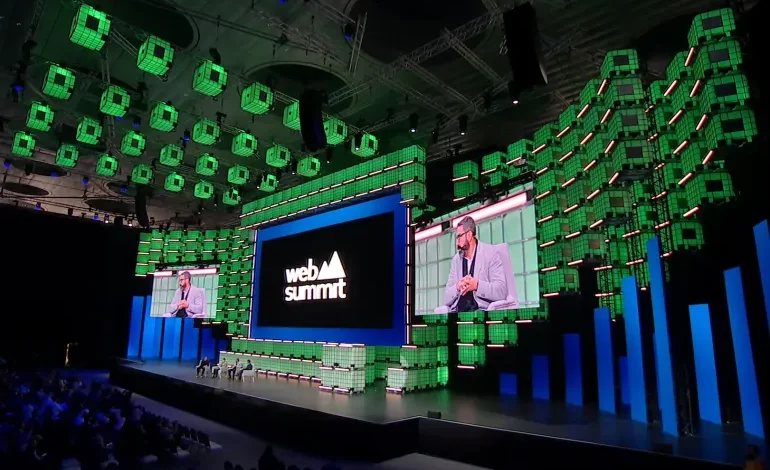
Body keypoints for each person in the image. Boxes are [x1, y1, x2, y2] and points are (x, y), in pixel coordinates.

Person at [442, 216, 507, 313]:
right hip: (458, 312)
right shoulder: (456, 260)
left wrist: (477, 285)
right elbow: (446, 297)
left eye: (459, 237)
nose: (457, 242)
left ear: (469, 235)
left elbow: (501, 291)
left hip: (479, 311)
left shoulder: (490, 253)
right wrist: (457, 286)